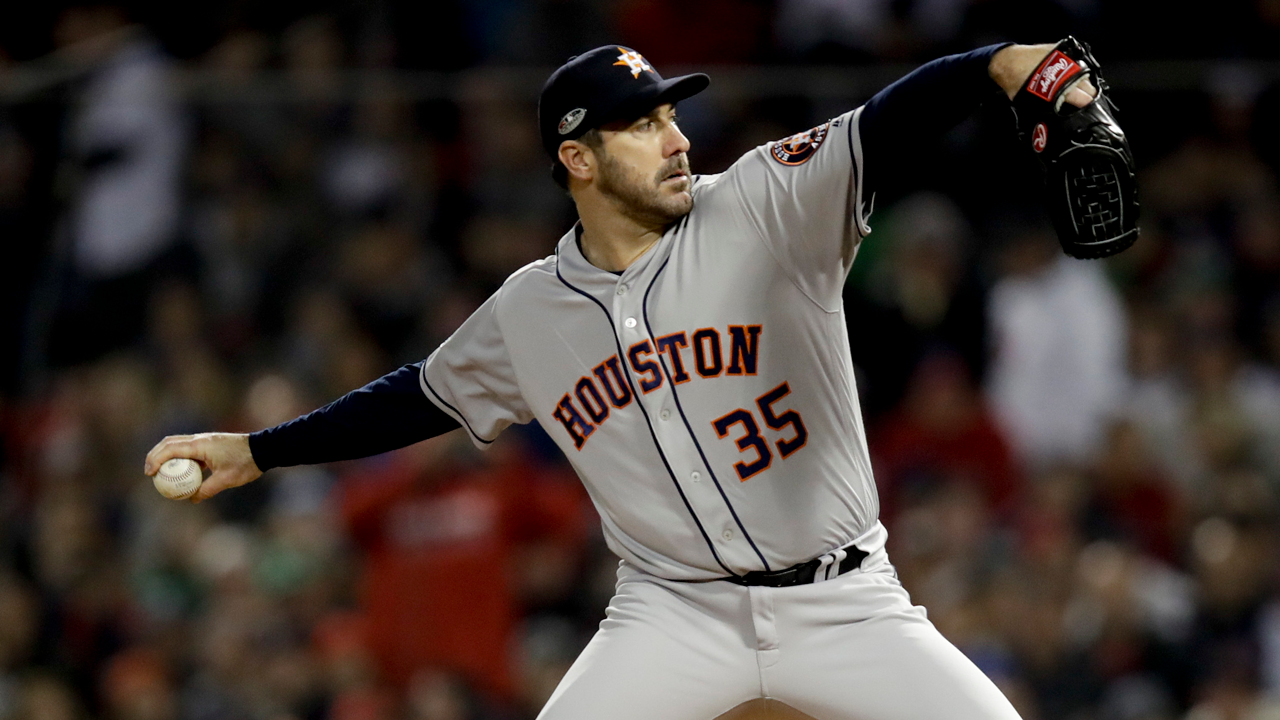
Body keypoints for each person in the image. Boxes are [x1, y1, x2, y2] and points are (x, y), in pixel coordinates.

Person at [147, 42, 1098, 719]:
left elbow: (890, 123)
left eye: (671, 114)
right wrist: (259, 451)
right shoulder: (529, 311)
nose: (677, 138)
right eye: (642, 125)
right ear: (578, 158)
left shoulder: (765, 202)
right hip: (672, 613)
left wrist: (998, 67)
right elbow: (415, 398)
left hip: (845, 599)